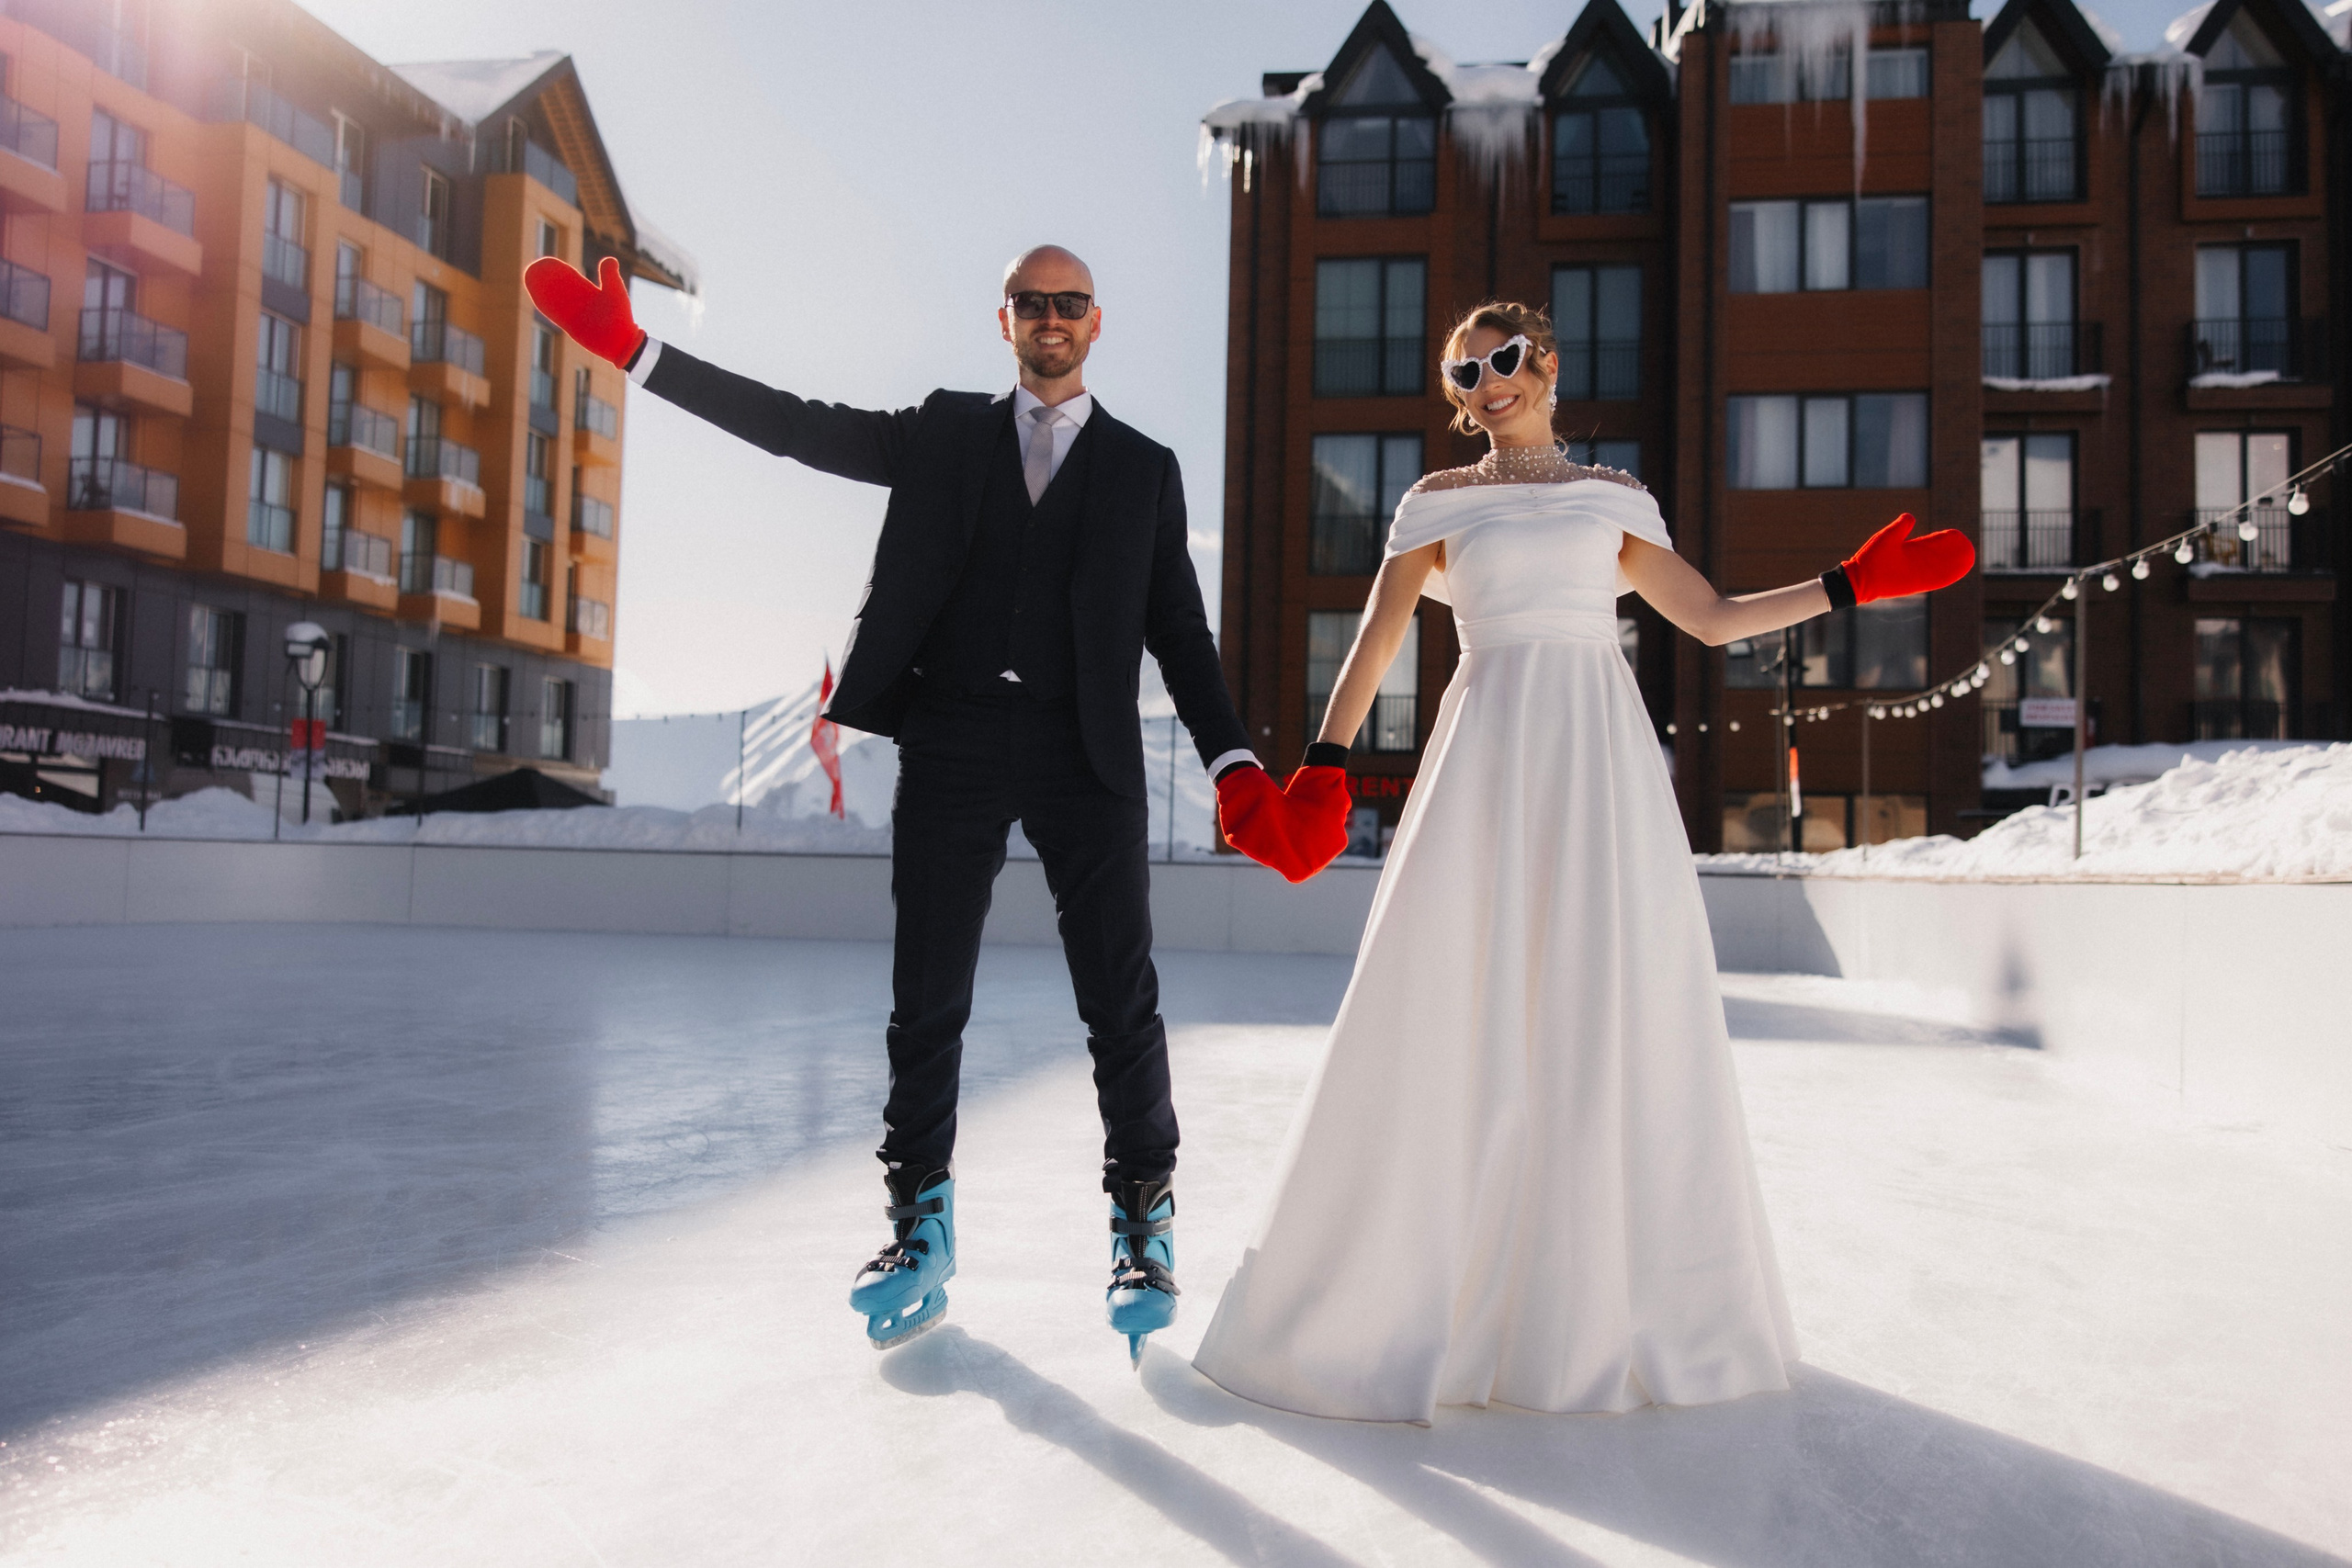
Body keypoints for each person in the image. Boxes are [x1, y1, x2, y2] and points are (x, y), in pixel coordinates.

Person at [522, 248, 1340, 1359]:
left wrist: (1235, 761)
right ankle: (919, 1225)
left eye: (1068, 304)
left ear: (1095, 323)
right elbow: (797, 427)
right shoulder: (943, 431)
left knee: (1120, 1000)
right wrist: (639, 354)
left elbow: (1181, 634)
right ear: (1002, 319)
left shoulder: (1144, 469)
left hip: (1083, 749)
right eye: (1030, 303)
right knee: (926, 996)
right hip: (953, 734)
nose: (1049, 319)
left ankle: (1141, 1221)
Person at [1193, 300, 1973, 1421]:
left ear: (1547, 363)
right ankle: (1407, 1299)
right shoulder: (1432, 503)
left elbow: (1705, 619)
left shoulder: (1616, 498)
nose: (1484, 383)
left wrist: (1848, 586)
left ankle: (1597, 1304)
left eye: (1502, 360)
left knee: (1600, 995)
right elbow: (1376, 637)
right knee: (1460, 992)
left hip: (1598, 747)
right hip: (1489, 740)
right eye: (1462, 371)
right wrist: (1319, 769)